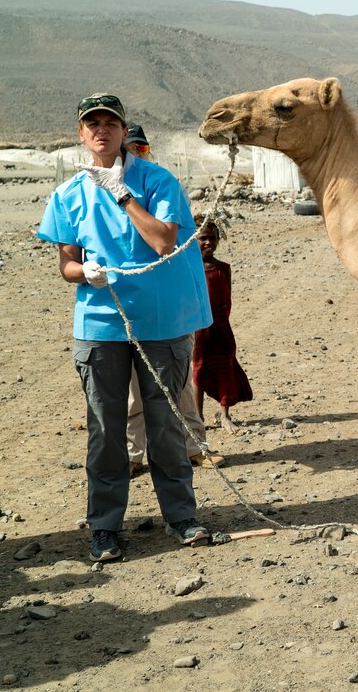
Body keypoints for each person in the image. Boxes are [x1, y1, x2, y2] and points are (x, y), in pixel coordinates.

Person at [37, 93, 214, 562]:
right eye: (91, 123)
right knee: (105, 430)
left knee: (165, 423)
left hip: (162, 321)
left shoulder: (158, 181)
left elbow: (162, 240)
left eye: (109, 122)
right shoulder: (68, 195)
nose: (101, 130)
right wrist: (84, 273)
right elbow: (67, 267)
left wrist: (123, 193)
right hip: (100, 323)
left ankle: (182, 518)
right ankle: (105, 529)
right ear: (81, 134)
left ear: (123, 130)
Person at [121, 123, 224, 474]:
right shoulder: (101, 193)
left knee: (178, 384)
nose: (134, 156)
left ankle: (195, 447)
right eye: (129, 149)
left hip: (170, 304)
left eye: (142, 150)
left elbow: (170, 242)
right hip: (130, 303)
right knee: (134, 388)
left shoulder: (163, 186)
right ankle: (135, 456)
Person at [192, 216, 252, 434]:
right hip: (198, 328)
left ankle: (225, 415)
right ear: (193, 240)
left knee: (225, 365)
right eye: (203, 239)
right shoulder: (190, 269)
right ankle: (197, 416)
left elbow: (227, 298)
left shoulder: (223, 268)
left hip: (221, 326)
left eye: (213, 238)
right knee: (198, 369)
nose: (208, 243)